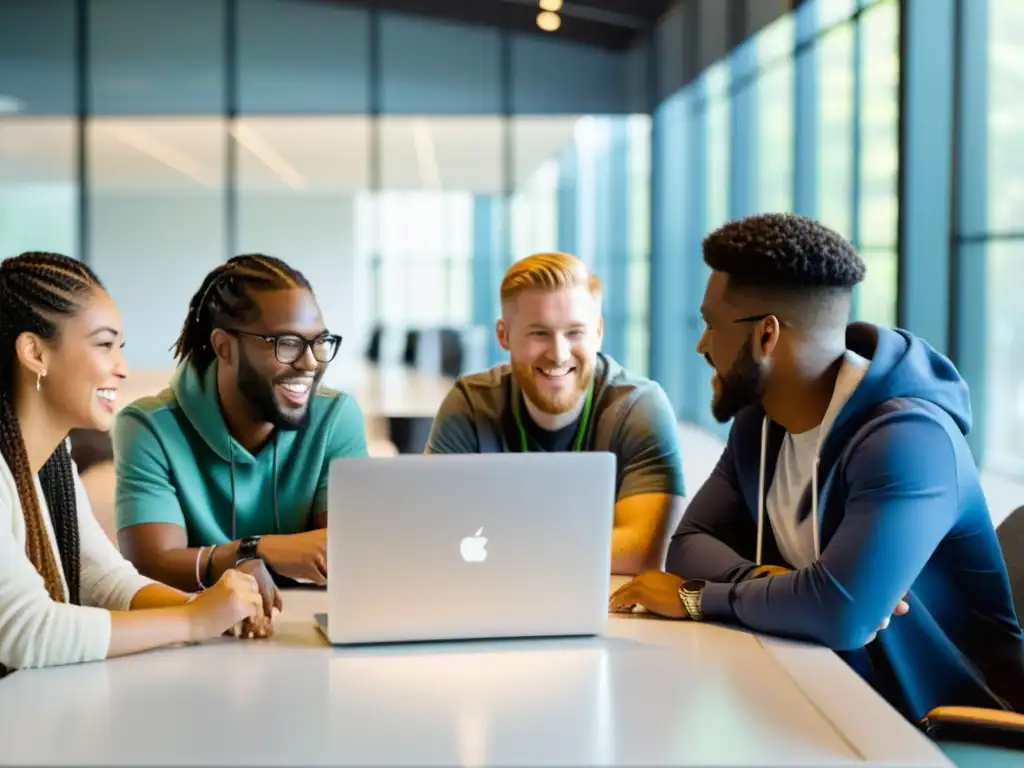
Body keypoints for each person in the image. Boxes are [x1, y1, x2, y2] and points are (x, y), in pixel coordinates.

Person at [609, 213, 1024, 722]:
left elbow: (841, 614)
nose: (701, 345)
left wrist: (698, 599)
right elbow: (689, 544)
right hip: (817, 690)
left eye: (710, 325)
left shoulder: (910, 441)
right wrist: (781, 583)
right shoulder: (760, 425)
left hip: (940, 728)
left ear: (767, 336)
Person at [0, 251, 264, 674]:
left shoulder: (52, 466)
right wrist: (192, 621)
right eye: (105, 345)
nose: (122, 368)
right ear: (35, 352)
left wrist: (210, 608)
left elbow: (105, 582)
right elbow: (27, 631)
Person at [113, 254, 368, 610]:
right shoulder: (149, 426)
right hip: (200, 632)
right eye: (288, 343)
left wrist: (234, 555)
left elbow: (344, 551)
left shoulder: (336, 417)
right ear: (224, 347)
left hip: (308, 628)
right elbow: (152, 564)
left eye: (318, 342)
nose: (310, 362)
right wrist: (252, 551)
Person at [425, 252, 686, 575]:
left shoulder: (639, 406)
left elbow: (640, 552)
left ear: (598, 332)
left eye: (575, 332)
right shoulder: (470, 403)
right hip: (490, 602)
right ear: (504, 335)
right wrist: (587, 549)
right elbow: (434, 535)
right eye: (539, 333)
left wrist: (496, 546)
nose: (559, 354)